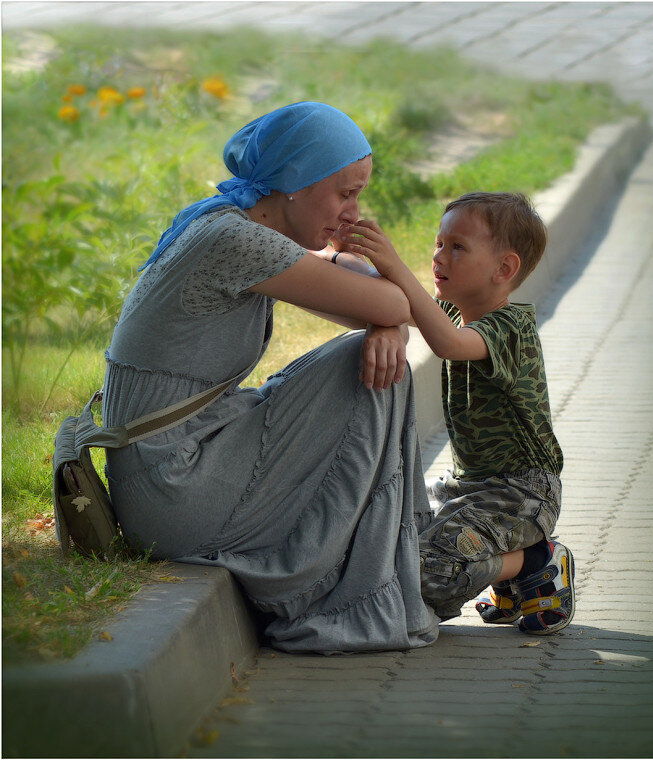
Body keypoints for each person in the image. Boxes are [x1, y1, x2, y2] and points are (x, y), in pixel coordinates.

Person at [101, 101, 440, 654]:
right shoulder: (237, 243)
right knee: (372, 371)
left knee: (376, 356)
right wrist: (389, 323)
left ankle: (372, 563)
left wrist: (389, 325)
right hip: (171, 486)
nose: (354, 214)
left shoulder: (231, 222)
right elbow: (389, 299)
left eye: (358, 195)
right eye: (344, 193)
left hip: (172, 461)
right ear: (294, 183)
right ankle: (356, 581)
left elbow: (373, 295)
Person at [337, 191, 575, 635]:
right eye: (438, 243)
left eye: (457, 247)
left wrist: (395, 267)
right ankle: (502, 569)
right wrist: (336, 254)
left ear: (504, 269)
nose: (438, 256)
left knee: (422, 575)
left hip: (522, 492)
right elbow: (390, 296)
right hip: (468, 486)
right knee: (384, 528)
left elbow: (448, 343)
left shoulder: (509, 329)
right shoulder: (451, 309)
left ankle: (537, 561)